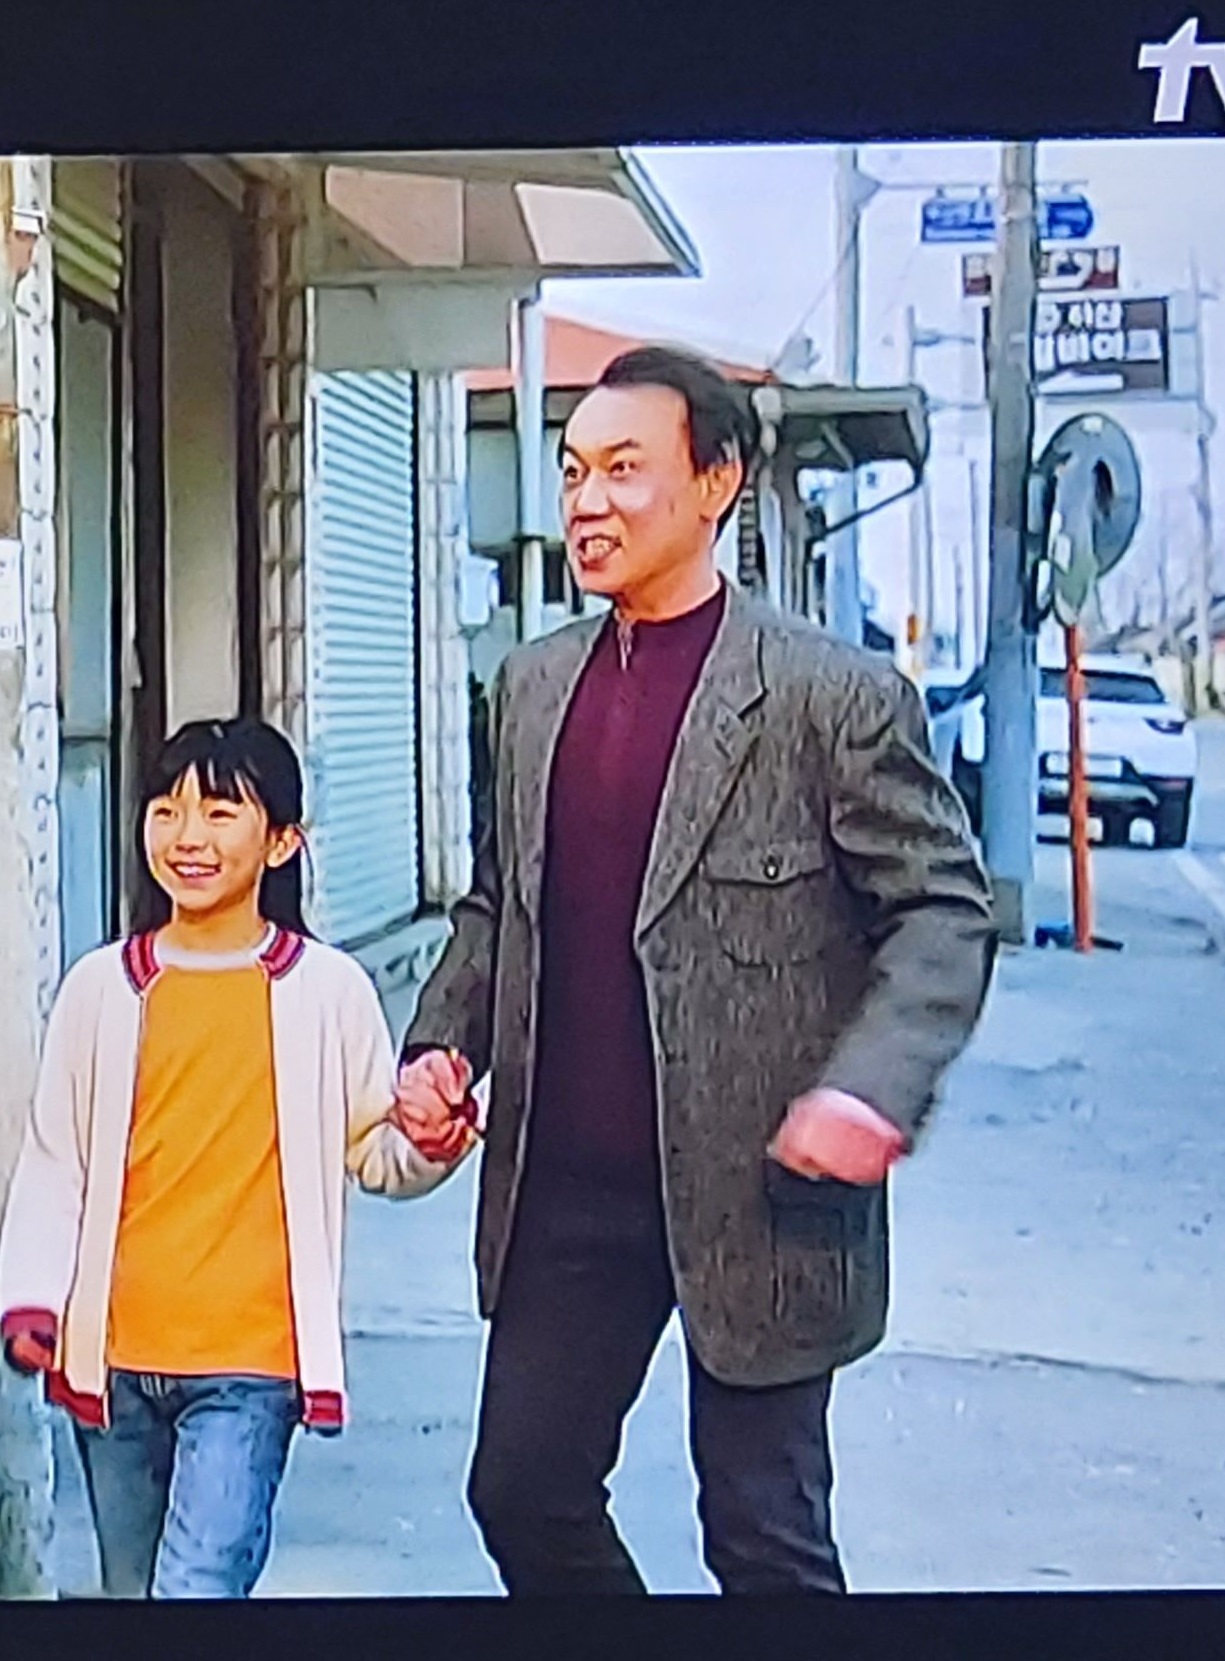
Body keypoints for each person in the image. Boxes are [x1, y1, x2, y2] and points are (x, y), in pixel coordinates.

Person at [391, 345, 995, 1595]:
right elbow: (498, 904)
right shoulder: (531, 688)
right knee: (522, 1490)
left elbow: (941, 907)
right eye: (572, 471)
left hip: (761, 1188)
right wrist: (441, 1045)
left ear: (716, 481)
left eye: (623, 469)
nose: (586, 501)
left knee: (762, 1539)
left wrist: (870, 1085)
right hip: (568, 1185)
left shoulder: (829, 697)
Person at [0, 718, 476, 1599]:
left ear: (281, 840)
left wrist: (431, 1138)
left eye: (220, 813)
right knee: (133, 1594)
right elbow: (55, 1161)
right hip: (113, 1361)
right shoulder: (101, 988)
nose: (187, 836)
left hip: (251, 1365)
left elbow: (375, 1150)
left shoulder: (325, 991)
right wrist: (32, 1297)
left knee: (195, 1590)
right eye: (167, 809)